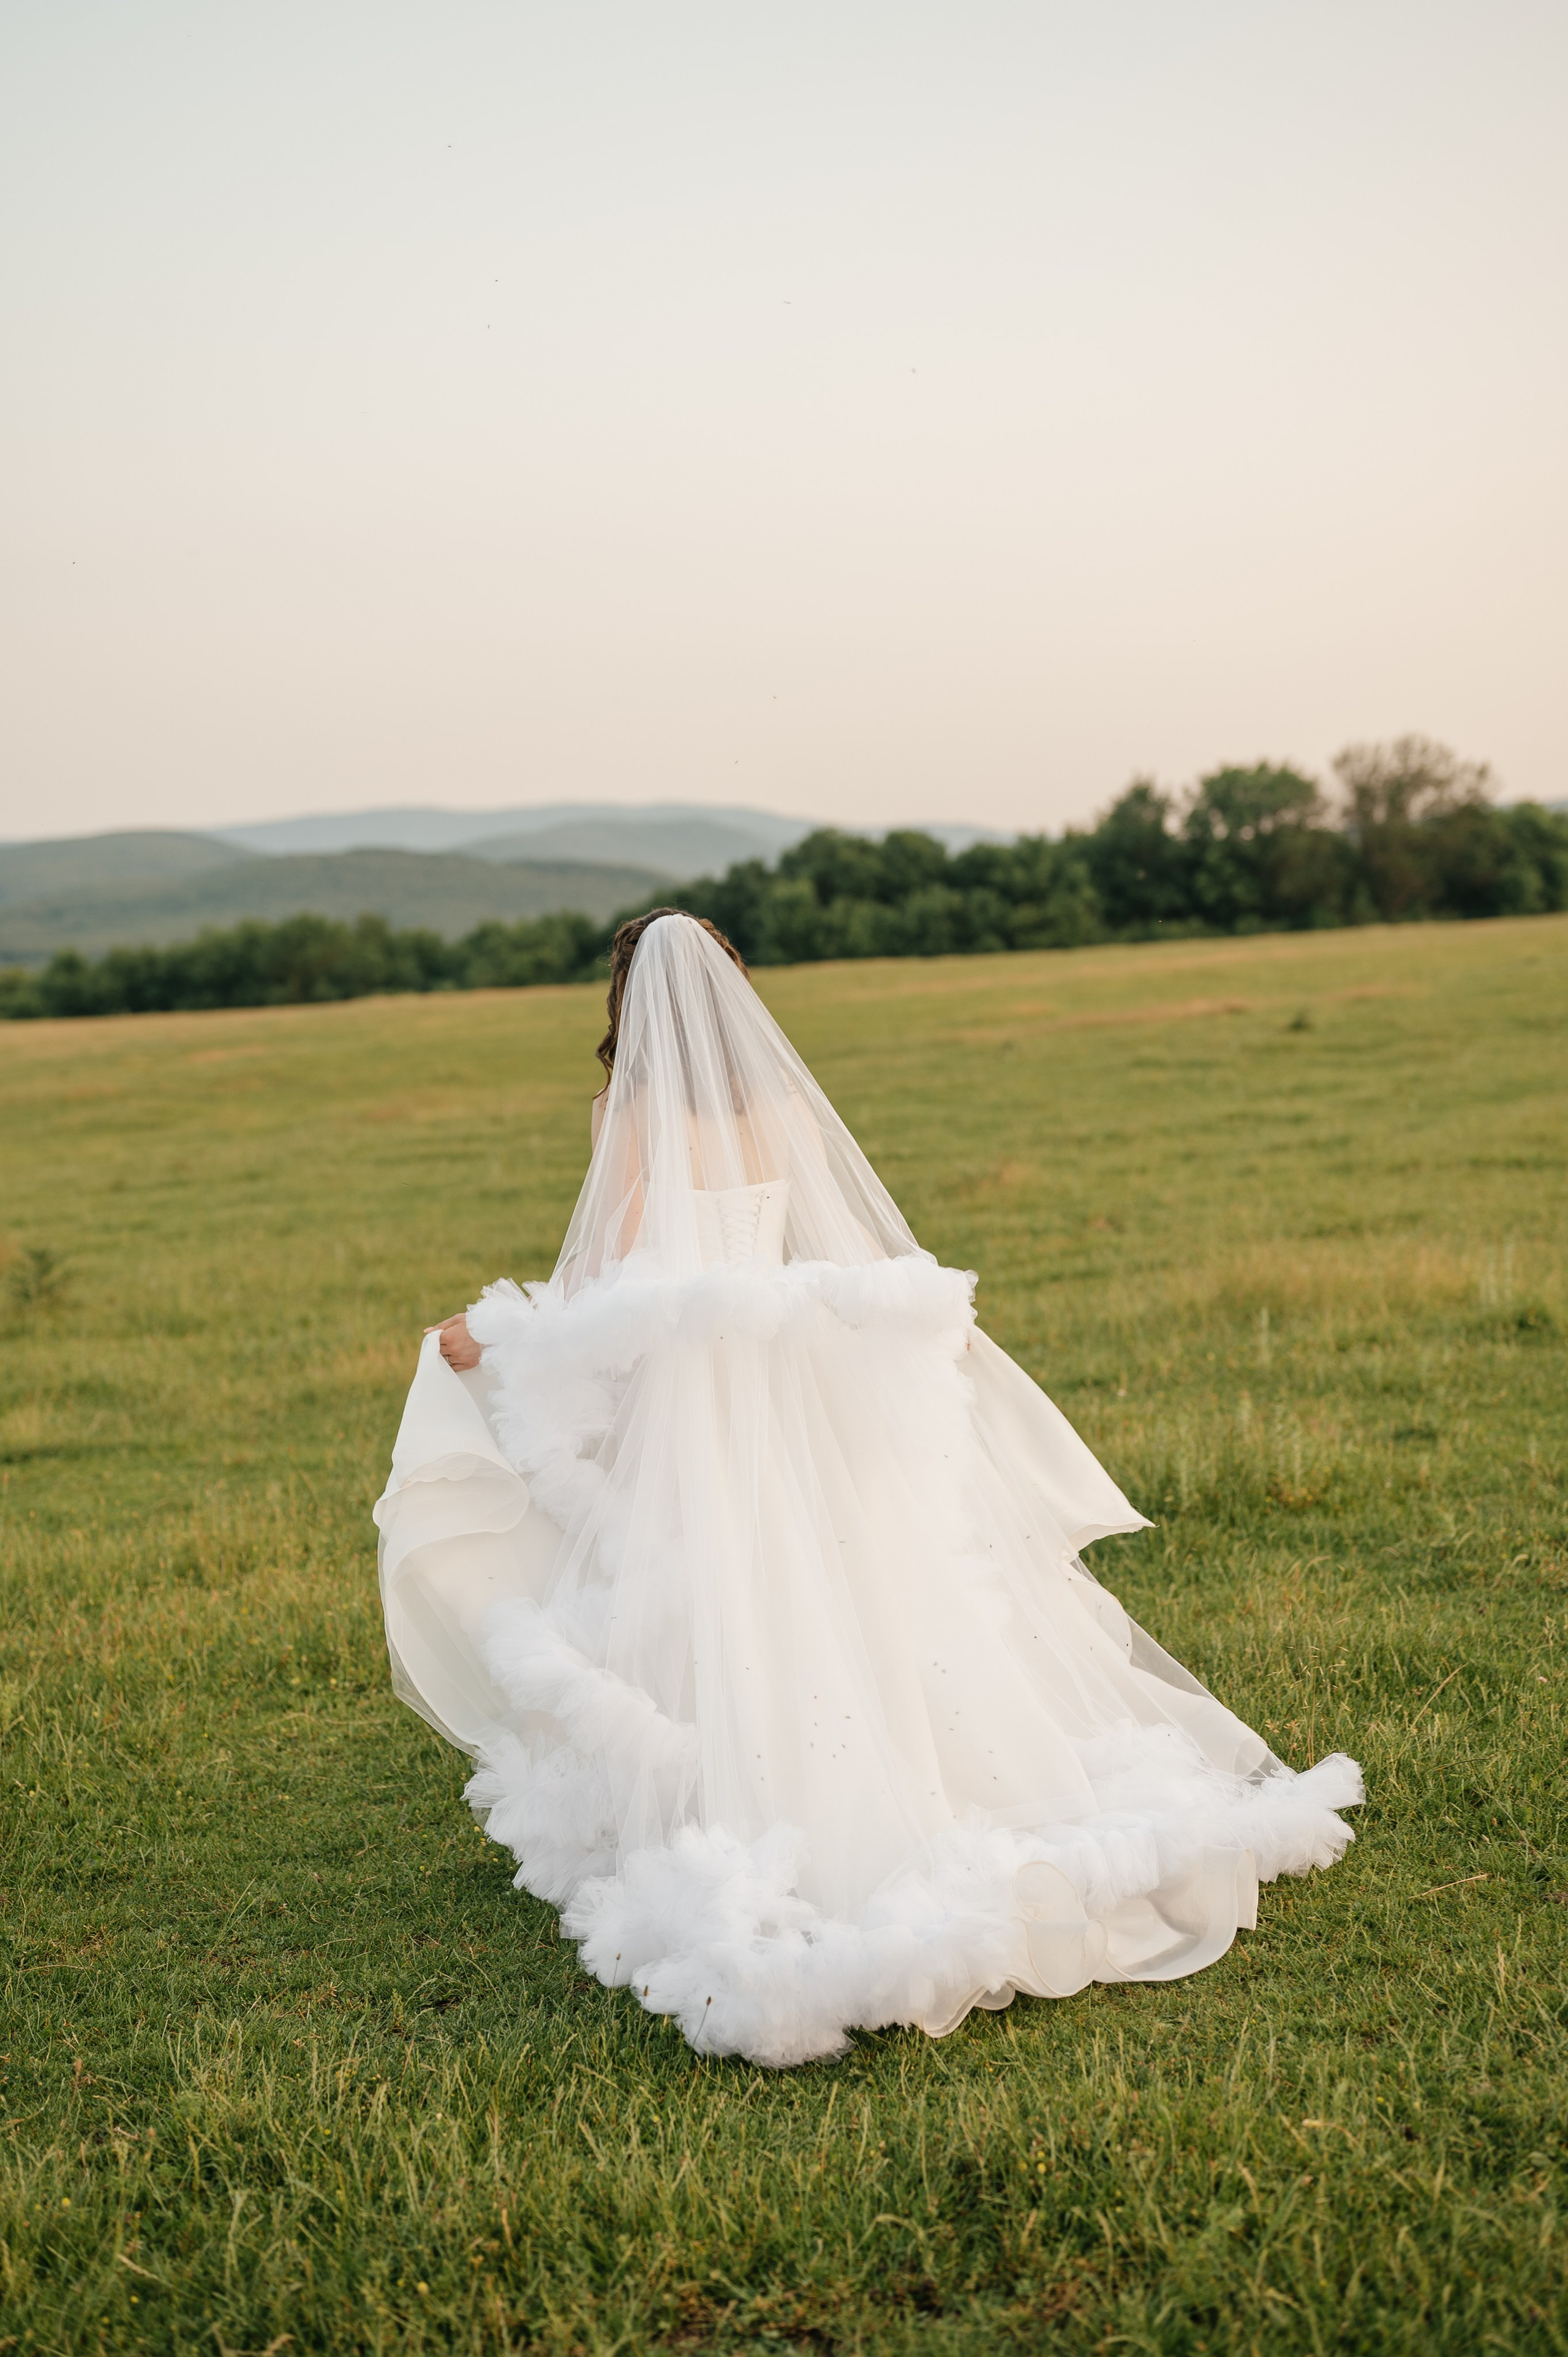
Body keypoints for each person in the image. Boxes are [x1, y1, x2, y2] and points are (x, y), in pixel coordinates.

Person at [376, 908, 1360, 2067]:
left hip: (703, 1391)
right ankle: (912, 1777)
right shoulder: (786, 1103)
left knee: (724, 1582)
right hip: (796, 1382)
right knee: (849, 1576)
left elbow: (610, 1275)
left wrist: (502, 1335)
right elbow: (806, 1246)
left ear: (628, 1000)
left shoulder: (629, 1109)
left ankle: (770, 1803)